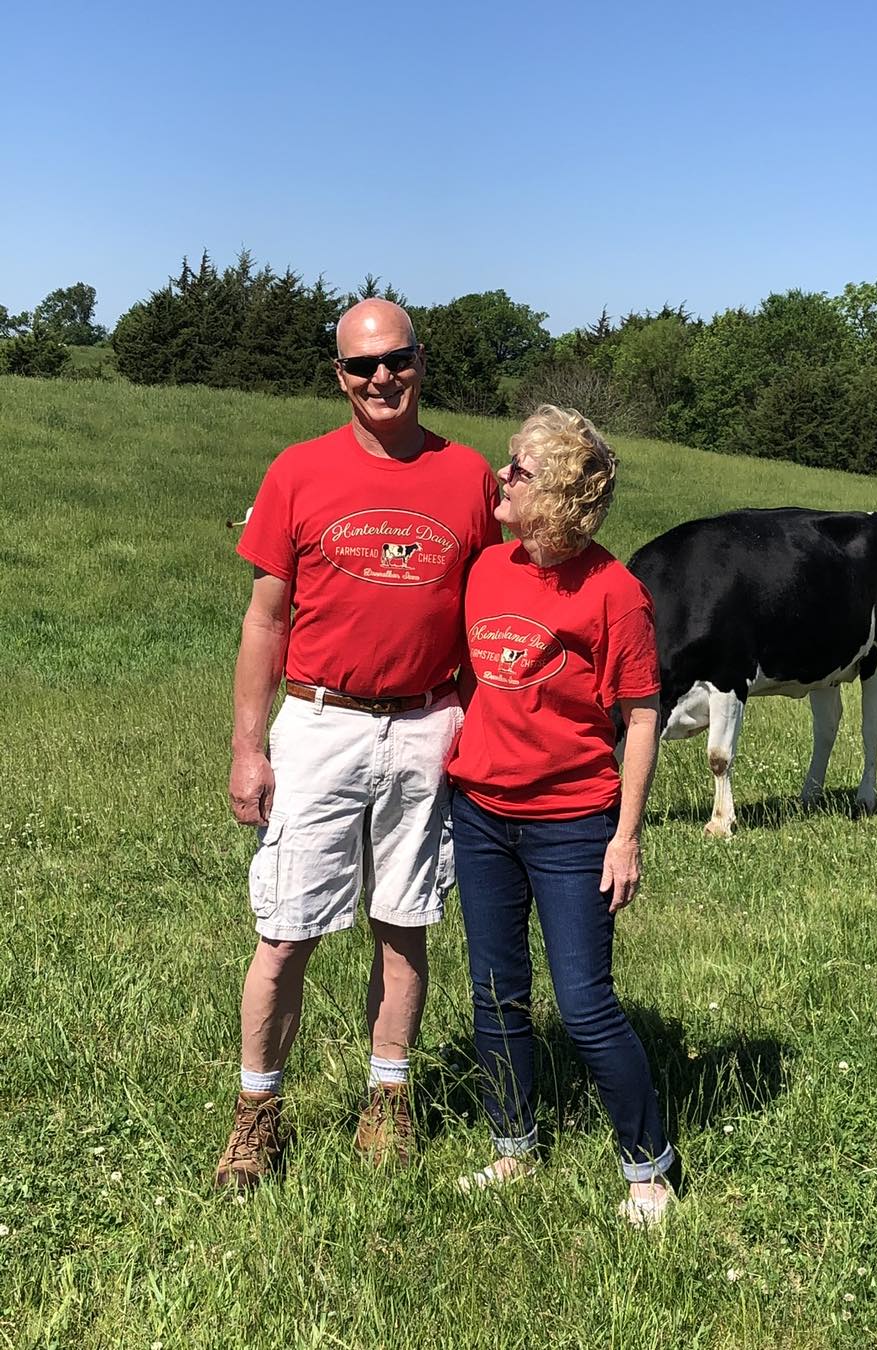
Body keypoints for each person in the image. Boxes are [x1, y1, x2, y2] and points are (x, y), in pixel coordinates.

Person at [215, 299, 500, 1188]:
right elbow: (265, 621)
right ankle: (257, 1114)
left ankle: (389, 1098)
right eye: (361, 366)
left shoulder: (468, 476)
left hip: (425, 724)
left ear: (421, 362)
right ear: (338, 376)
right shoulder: (300, 471)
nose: (382, 378)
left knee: (405, 920)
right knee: (286, 930)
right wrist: (248, 747)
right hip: (320, 722)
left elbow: (494, 606)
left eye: (396, 360)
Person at [446, 404, 676, 1227]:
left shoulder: (616, 593)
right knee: (498, 992)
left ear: (562, 499)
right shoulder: (484, 567)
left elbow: (642, 716)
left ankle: (648, 1166)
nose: (500, 476)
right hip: (478, 814)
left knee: (583, 1004)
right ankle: (514, 1147)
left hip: (574, 824)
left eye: (520, 470)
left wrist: (626, 836)